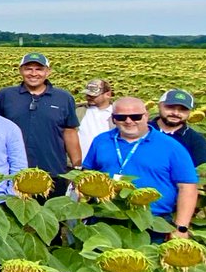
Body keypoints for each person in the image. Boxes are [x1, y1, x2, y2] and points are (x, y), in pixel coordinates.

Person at [83, 97, 198, 235]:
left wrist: (181, 228)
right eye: (121, 117)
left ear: (146, 116)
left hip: (152, 221)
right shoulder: (101, 140)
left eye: (135, 116)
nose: (128, 121)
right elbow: (87, 174)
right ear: (113, 119)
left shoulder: (171, 146)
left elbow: (187, 187)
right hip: (105, 218)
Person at [0, 53, 80, 196]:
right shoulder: (6, 95)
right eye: (28, 69)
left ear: (48, 71)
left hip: (53, 171)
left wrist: (77, 167)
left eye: (39, 69)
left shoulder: (64, 98)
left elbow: (70, 132)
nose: (33, 73)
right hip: (12, 172)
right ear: (20, 70)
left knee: (52, 216)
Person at [152, 89, 206, 166]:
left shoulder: (196, 140)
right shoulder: (142, 130)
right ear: (159, 106)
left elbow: (201, 171)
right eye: (170, 107)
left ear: (190, 111)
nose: (176, 113)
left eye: (183, 109)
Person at [77, 79, 114, 160]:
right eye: (87, 94)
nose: (88, 97)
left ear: (107, 94)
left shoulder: (118, 113)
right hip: (77, 164)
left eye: (93, 95)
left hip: (106, 163)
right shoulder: (78, 111)